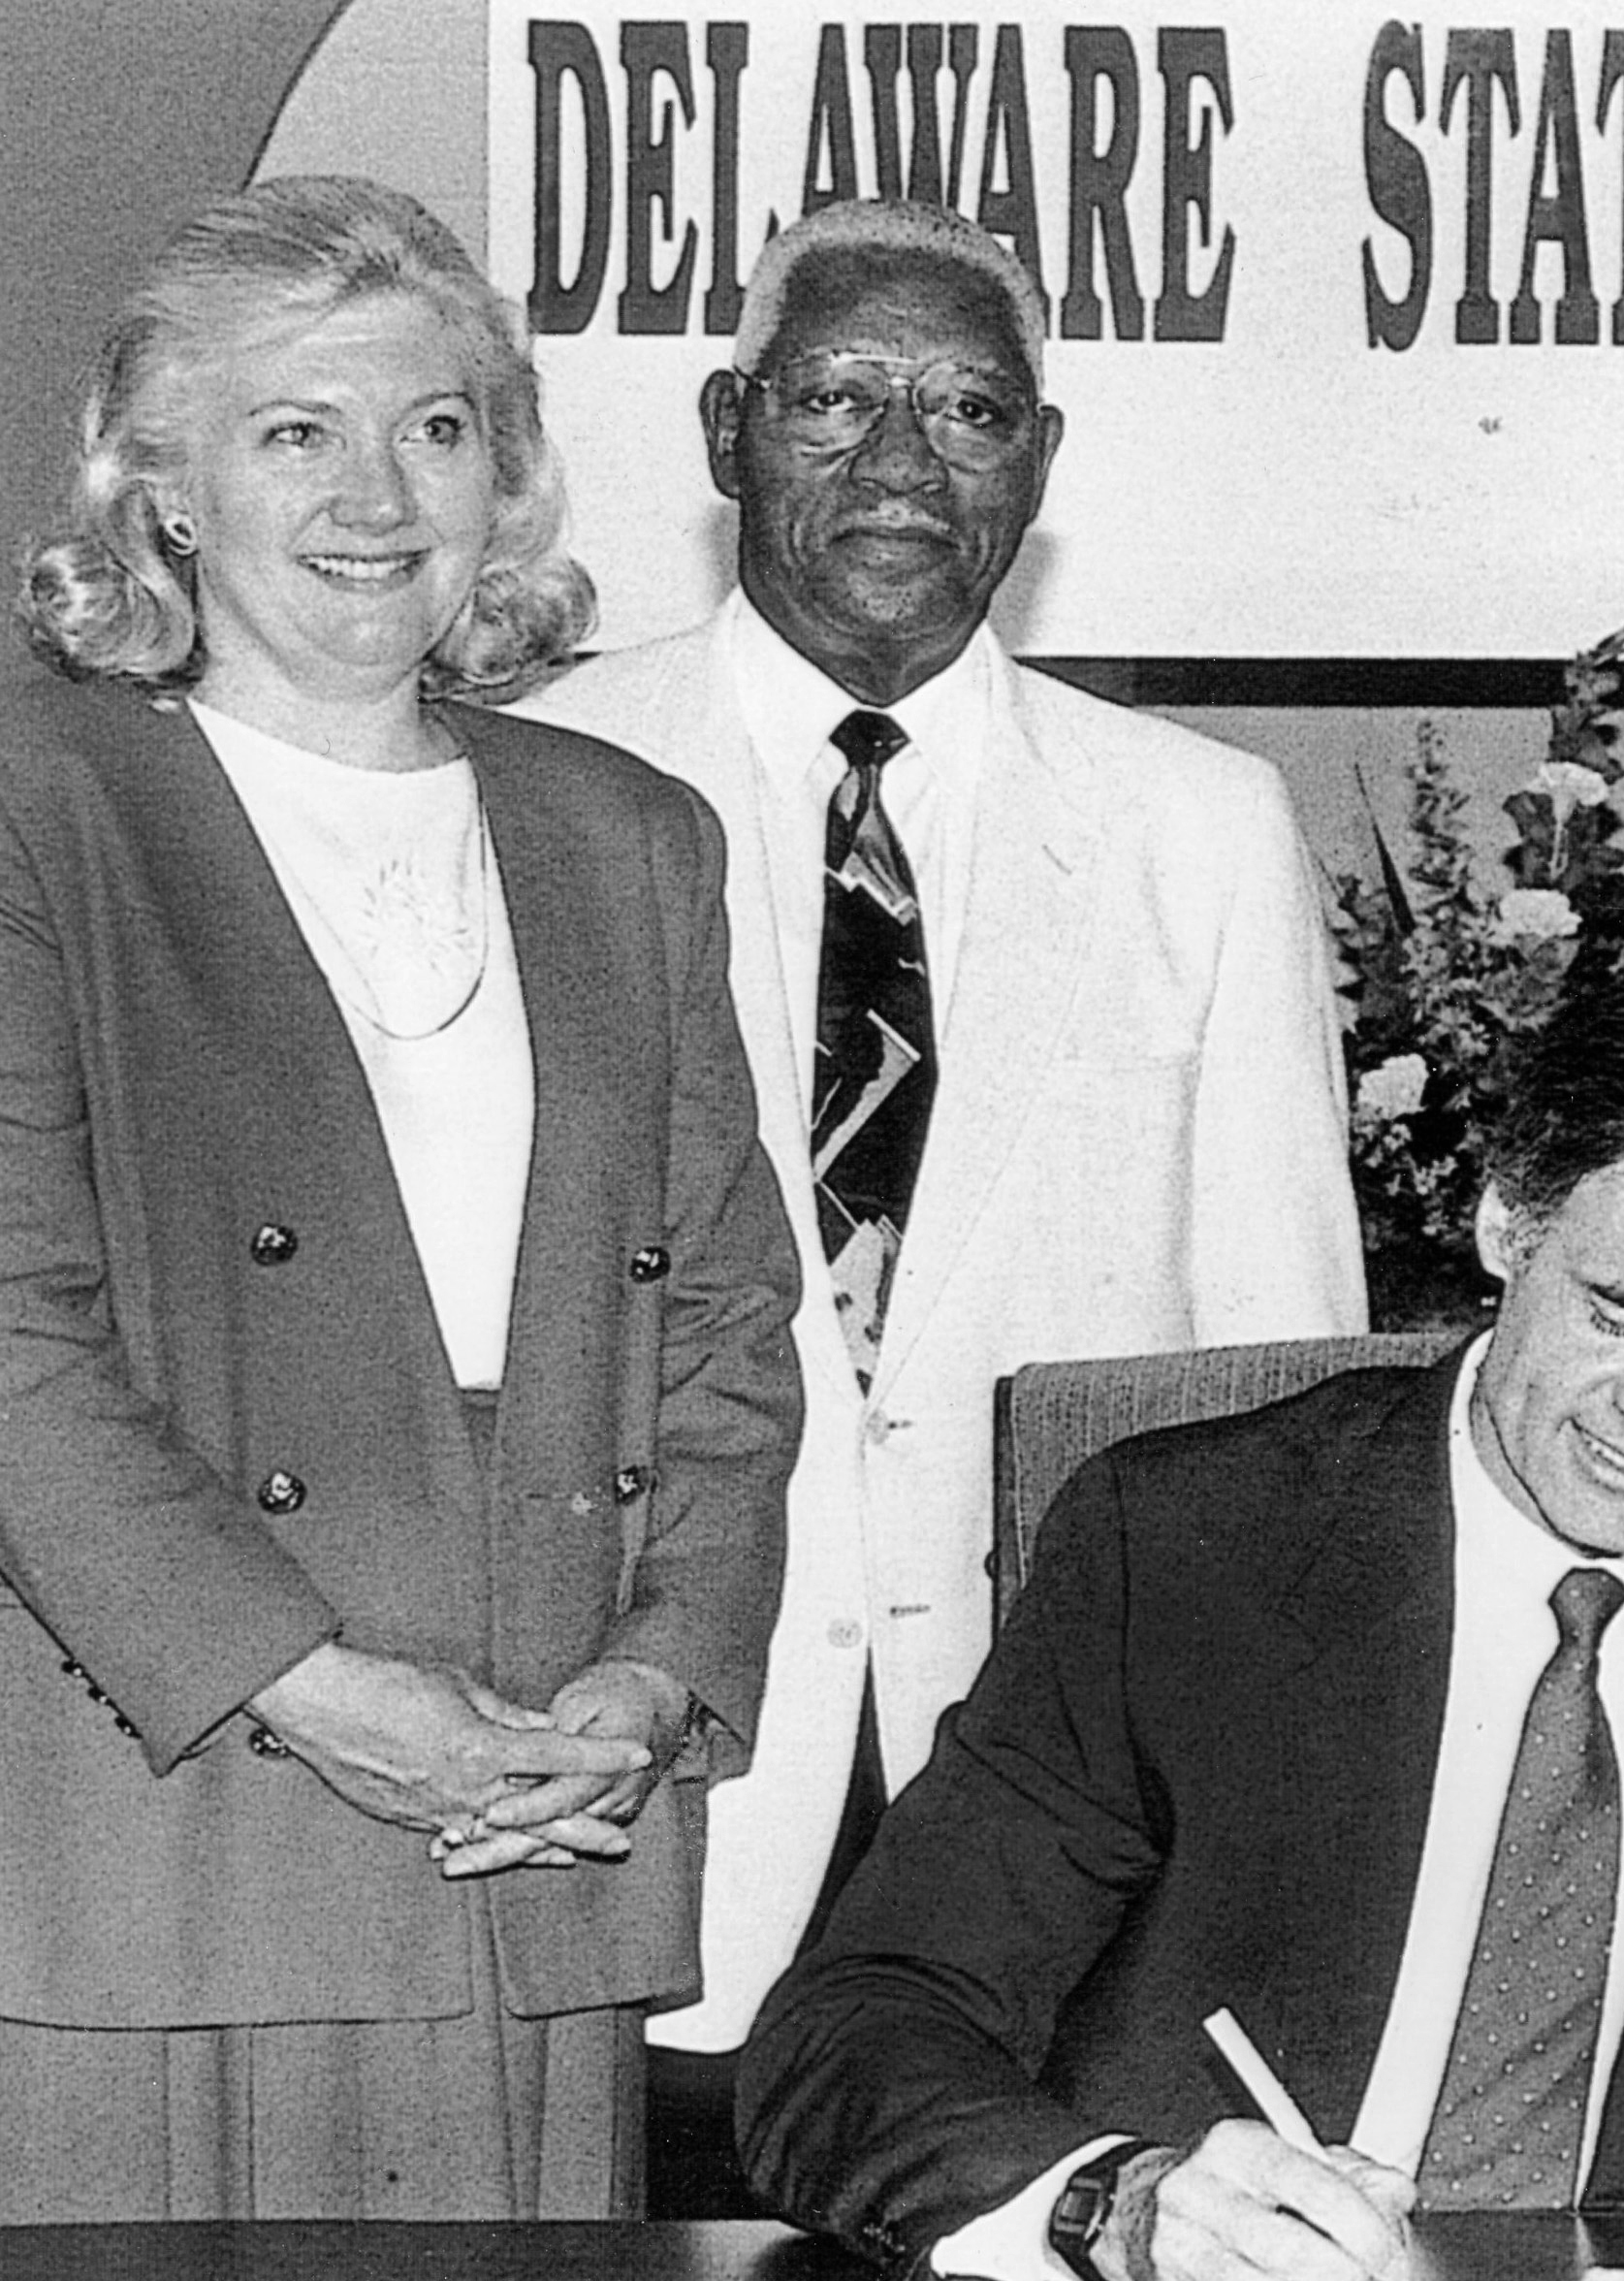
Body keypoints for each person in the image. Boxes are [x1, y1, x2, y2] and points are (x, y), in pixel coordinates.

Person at [738, 957, 1624, 2281]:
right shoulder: (1182, 1550)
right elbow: (853, 2031)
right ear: (1503, 1223)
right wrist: (1115, 2203)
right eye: (1620, 1316)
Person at [521, 196, 1366, 2169]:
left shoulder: (1200, 830)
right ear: (727, 429)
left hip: (1046, 1808)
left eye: (972, 414)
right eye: (835, 403)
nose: (903, 466)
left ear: (1041, 466)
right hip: (637, 1776)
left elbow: (1275, 1384)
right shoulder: (533, 776)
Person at [0, 176, 799, 2219]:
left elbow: (725, 1331)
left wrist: (654, 1681)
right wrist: (311, 1688)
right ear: (163, 493)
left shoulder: (630, 837)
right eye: (296, 432)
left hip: (533, 1831)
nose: (379, 492)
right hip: (164, 1819)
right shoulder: (43, 808)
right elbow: (13, 1346)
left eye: (435, 429)